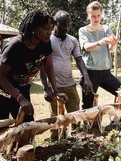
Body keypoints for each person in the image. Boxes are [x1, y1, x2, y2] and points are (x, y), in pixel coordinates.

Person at [0, 10, 67, 123]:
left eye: (51, 29)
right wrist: (20, 98)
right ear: (33, 27)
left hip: (20, 86)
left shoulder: (45, 43)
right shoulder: (16, 46)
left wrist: (56, 91)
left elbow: (49, 67)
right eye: (45, 28)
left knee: (27, 126)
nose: (49, 32)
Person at [40, 10, 93, 140]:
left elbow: (79, 60)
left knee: (75, 115)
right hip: (54, 87)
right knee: (55, 117)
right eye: (63, 24)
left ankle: (76, 139)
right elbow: (41, 65)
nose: (66, 28)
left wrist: (86, 77)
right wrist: (46, 88)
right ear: (55, 23)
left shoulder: (73, 40)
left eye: (68, 25)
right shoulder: (47, 40)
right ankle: (54, 141)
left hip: (70, 84)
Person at [78, 1, 121, 109]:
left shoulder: (106, 29)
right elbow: (86, 47)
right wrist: (99, 42)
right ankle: (87, 126)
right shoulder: (83, 30)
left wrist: (114, 44)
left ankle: (116, 120)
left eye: (98, 15)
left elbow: (111, 49)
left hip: (105, 72)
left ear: (101, 14)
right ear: (88, 15)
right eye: (93, 16)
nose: (96, 18)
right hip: (90, 73)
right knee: (87, 105)